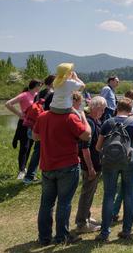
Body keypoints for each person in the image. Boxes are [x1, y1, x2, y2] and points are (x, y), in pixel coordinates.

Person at [33, 92, 91, 246]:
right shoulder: (71, 118)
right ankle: (62, 237)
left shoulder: (43, 116)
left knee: (46, 203)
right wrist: (82, 116)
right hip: (68, 166)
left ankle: (44, 237)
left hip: (47, 166)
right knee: (64, 203)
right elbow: (86, 135)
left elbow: (35, 136)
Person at [96, 98, 133, 241]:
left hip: (109, 163)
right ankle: (126, 230)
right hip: (129, 162)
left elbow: (98, 147)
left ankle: (104, 232)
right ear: (130, 110)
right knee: (129, 194)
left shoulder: (107, 122)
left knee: (109, 195)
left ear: (117, 107)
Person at [75, 96, 106, 234]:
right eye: (102, 109)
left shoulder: (95, 121)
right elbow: (85, 148)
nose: (104, 111)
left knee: (90, 192)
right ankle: (81, 224)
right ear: (96, 108)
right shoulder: (90, 123)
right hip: (91, 165)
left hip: (96, 163)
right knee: (87, 194)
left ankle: (86, 217)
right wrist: (90, 167)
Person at [6, 79, 42, 180]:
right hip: (24, 124)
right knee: (24, 147)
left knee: (30, 146)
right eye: (40, 85)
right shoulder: (24, 95)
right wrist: (19, 114)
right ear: (35, 86)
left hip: (34, 124)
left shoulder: (37, 95)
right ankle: (21, 170)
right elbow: (8, 104)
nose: (41, 87)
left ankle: (27, 170)